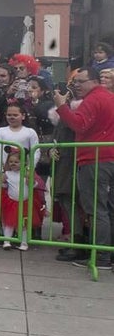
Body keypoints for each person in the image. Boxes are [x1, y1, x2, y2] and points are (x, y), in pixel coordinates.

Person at [53, 68, 114, 271]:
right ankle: (106, 254)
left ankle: (102, 256)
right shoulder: (108, 98)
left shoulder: (93, 100)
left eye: (81, 81)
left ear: (95, 81)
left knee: (96, 209)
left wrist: (61, 107)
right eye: (75, 82)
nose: (77, 85)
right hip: (106, 157)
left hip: (94, 159)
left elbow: (79, 125)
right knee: (106, 208)